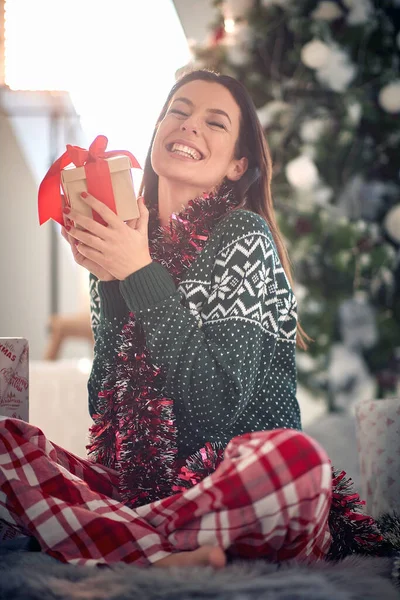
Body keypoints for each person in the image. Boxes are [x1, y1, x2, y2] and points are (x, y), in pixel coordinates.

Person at [0, 70, 377, 569]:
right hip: (144, 494)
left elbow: (215, 411)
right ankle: (158, 548)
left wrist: (139, 273)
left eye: (214, 122)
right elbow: (105, 413)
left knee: (297, 462)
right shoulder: (126, 247)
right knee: (6, 440)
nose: (189, 125)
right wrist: (113, 280)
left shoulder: (243, 236)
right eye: (177, 111)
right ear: (157, 131)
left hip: (239, 485)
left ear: (238, 164)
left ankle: (112, 540)